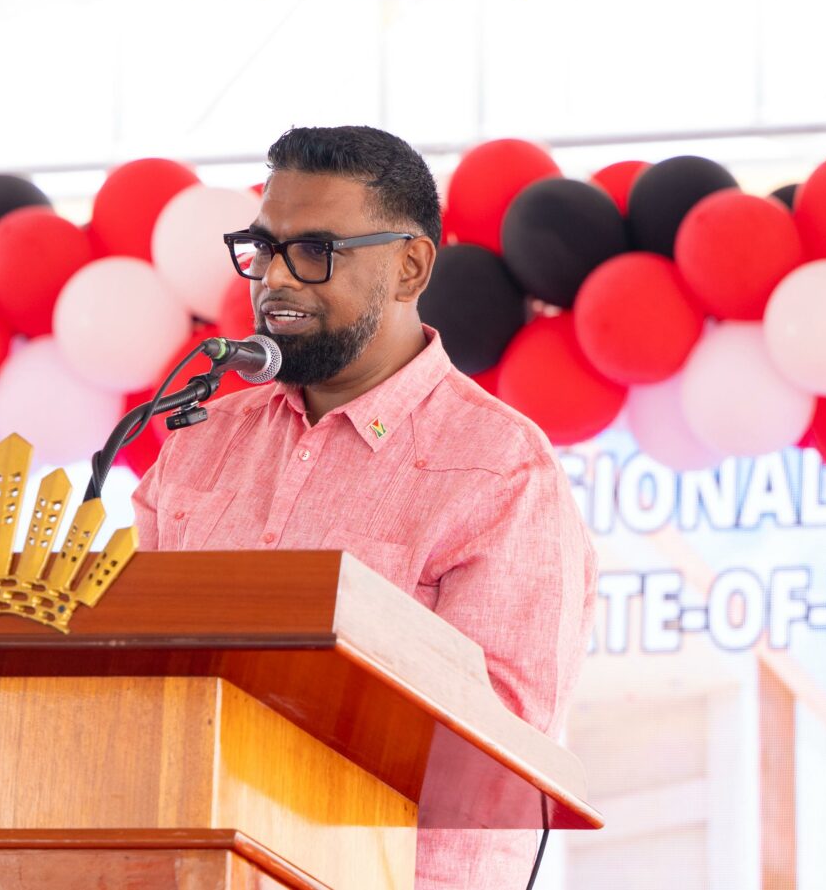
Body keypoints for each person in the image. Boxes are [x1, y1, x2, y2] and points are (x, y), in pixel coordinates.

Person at [131, 125, 597, 889]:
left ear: (411, 265)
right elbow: (132, 684)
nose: (276, 278)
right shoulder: (199, 443)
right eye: (264, 248)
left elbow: (489, 769)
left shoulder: (500, 473)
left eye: (315, 250)